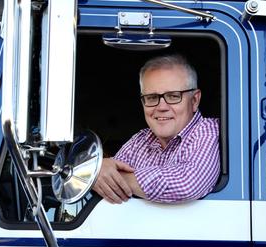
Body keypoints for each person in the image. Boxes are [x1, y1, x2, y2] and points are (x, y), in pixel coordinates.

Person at [93, 54, 220, 204]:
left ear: (194, 100)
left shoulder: (209, 130)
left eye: (173, 96)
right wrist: (101, 169)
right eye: (152, 98)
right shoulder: (140, 140)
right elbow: (106, 174)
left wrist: (100, 175)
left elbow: (187, 183)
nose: (161, 107)